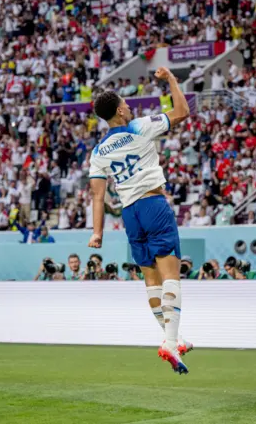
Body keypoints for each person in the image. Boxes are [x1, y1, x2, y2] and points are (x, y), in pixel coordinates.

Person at [87, 67, 192, 374]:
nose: (131, 106)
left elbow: (97, 195)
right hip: (153, 204)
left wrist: (97, 233)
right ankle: (171, 343)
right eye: (127, 103)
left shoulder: (99, 151)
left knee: (151, 280)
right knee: (171, 274)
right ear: (120, 110)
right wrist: (171, 79)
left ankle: (173, 337)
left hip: (129, 213)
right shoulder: (139, 126)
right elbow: (182, 111)